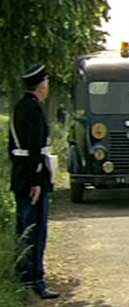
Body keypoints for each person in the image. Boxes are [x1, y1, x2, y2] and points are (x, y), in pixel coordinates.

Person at [8, 64, 59, 299]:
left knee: (23, 228)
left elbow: (16, 149)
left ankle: (22, 273)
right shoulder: (34, 111)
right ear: (41, 85)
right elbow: (35, 148)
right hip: (33, 180)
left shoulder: (19, 107)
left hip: (19, 176)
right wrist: (37, 181)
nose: (48, 87)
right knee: (35, 230)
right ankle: (35, 279)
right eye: (46, 83)